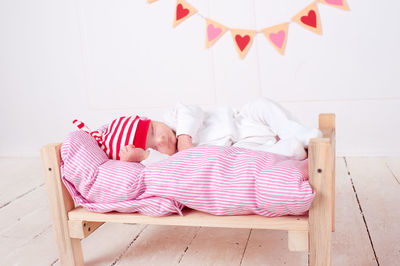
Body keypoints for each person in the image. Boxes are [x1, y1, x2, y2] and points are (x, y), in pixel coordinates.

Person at [74, 98, 322, 165]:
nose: (160, 138)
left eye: (152, 130)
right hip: (239, 148)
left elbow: (192, 109)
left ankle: (298, 133)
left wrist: (184, 136)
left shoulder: (174, 118)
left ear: (150, 120)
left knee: (261, 104)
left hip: (245, 122)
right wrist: (144, 158)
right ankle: (289, 150)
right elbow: (163, 169)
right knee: (248, 158)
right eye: (152, 146)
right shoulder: (173, 160)